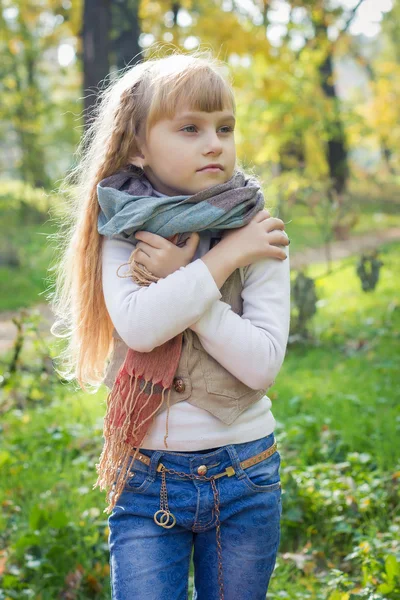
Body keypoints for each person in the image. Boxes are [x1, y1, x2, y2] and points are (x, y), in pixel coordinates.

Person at [50, 49, 290, 600]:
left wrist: (197, 275)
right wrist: (217, 264)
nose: (214, 142)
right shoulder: (124, 227)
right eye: (190, 128)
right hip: (144, 479)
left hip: (244, 473)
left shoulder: (258, 231)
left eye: (224, 128)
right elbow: (140, 327)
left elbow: (261, 365)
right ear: (138, 146)